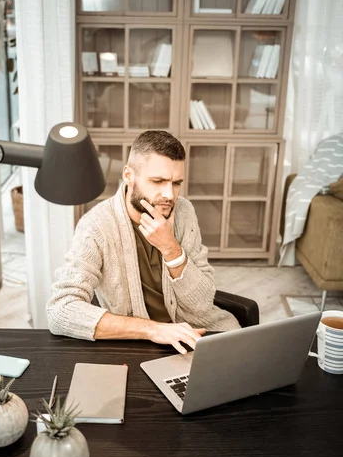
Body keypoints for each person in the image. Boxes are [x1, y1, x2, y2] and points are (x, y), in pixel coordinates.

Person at [47, 130, 240, 353]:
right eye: (158, 181)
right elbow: (61, 311)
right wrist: (153, 330)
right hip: (137, 345)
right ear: (129, 175)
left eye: (176, 183)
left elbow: (203, 301)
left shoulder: (183, 212)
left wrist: (171, 248)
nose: (169, 194)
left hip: (201, 334)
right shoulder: (97, 226)